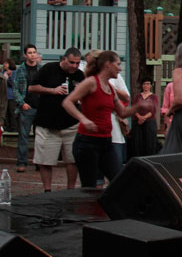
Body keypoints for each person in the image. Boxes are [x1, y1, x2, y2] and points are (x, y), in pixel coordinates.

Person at [62, 51, 147, 188]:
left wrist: (139, 106)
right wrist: (83, 119)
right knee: (90, 185)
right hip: (87, 142)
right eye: (118, 64)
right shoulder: (91, 82)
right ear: (108, 65)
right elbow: (67, 102)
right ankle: (88, 209)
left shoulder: (110, 88)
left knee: (119, 180)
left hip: (106, 142)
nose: (120, 68)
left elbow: (123, 112)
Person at [27, 48, 85, 191]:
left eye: (77, 63)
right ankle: (47, 190)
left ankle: (70, 190)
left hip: (71, 124)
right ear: (63, 59)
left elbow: (85, 96)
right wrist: (52, 90)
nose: (74, 66)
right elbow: (32, 88)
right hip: (47, 123)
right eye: (71, 62)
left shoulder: (79, 75)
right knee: (45, 160)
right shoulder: (49, 69)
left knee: (72, 160)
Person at [12, 45, 40, 173]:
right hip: (26, 106)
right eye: (30, 53)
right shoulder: (20, 70)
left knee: (40, 137)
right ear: (25, 55)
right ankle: (21, 162)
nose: (32, 55)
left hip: (39, 107)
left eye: (34, 52)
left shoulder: (41, 69)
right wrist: (22, 103)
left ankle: (39, 162)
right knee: (23, 137)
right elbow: (15, 88)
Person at [130, 78, 159, 157]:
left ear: (151, 85)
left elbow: (153, 109)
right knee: (137, 144)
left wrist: (144, 118)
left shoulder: (154, 97)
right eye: (144, 84)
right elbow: (134, 108)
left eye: (148, 84)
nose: (146, 86)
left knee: (149, 143)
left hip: (149, 122)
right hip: (137, 122)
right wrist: (139, 117)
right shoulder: (137, 96)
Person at [3, 59, 17, 133]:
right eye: (3, 63)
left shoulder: (14, 73)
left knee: (12, 112)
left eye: (6, 63)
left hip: (12, 96)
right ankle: (6, 127)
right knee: (5, 113)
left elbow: (13, 84)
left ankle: (13, 128)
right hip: (3, 97)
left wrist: (10, 76)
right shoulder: (2, 73)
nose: (4, 65)